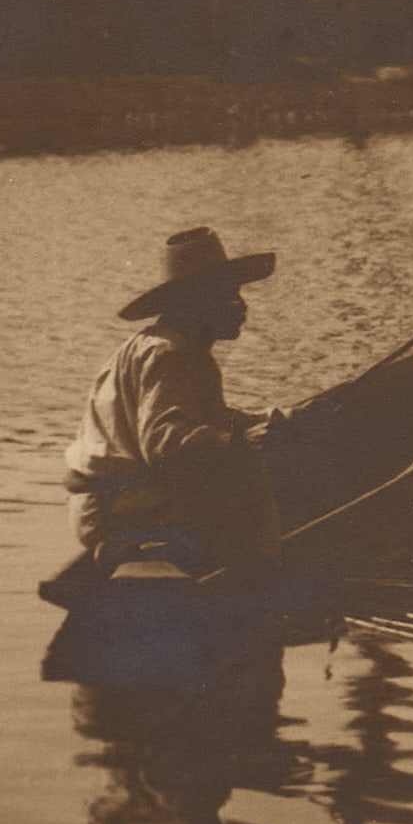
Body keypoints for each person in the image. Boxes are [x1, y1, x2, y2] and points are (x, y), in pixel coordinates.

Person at [65, 226, 285, 579]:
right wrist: (239, 442)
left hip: (112, 499)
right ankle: (258, 583)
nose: (242, 306)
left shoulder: (170, 347)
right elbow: (163, 442)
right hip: (118, 505)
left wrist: (260, 421)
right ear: (197, 302)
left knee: (257, 463)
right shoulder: (170, 353)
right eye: (229, 296)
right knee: (262, 475)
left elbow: (196, 420)